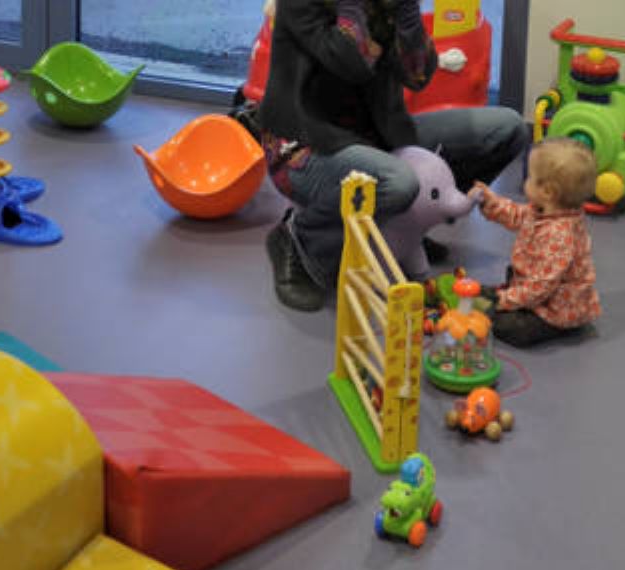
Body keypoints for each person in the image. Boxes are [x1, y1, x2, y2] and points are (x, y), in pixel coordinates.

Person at [256, 0, 528, 311]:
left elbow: (418, 75)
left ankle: (406, 227)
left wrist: (408, 15)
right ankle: (298, 239)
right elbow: (349, 63)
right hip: (303, 147)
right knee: (397, 182)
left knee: (507, 129)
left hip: (379, 139)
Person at [469, 137, 602, 347]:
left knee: (509, 328)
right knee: (511, 277)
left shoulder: (559, 235)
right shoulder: (545, 209)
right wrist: (492, 202)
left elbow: (540, 287)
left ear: (548, 192)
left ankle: (518, 306)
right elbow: (517, 215)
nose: (526, 180)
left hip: (555, 309)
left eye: (531, 177)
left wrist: (503, 301)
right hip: (537, 287)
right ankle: (509, 296)